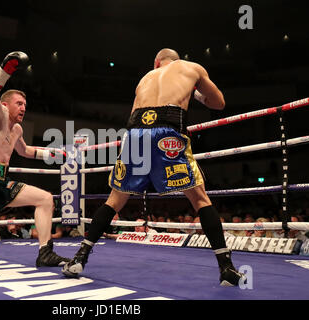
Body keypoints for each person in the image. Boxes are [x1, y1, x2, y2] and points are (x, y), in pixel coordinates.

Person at [63, 48, 245, 286]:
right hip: (167, 131)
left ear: (157, 62)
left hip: (135, 133)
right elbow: (219, 103)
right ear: (176, 60)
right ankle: (226, 268)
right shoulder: (191, 68)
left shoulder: (145, 78)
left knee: (115, 199)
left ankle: (80, 258)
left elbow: (133, 115)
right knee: (199, 199)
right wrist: (196, 93)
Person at [0, 51, 69, 267]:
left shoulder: (17, 129)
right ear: (5, 105)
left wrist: (54, 154)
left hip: (2, 181)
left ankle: (45, 252)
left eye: (24, 105)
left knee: (46, 199)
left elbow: (25, 152)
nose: (23, 107)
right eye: (19, 103)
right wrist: (6, 70)